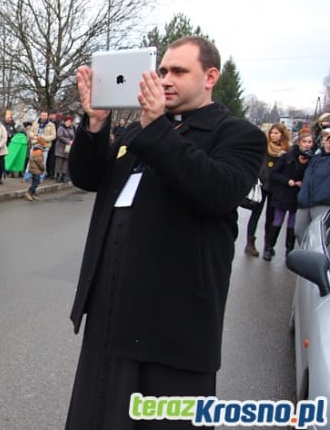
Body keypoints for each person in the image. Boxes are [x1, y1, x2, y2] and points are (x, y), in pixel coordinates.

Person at [65, 36, 265, 429]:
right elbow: (88, 177)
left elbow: (214, 192)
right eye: (162, 71)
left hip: (174, 322)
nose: (165, 80)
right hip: (112, 311)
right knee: (100, 414)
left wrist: (157, 128)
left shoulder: (238, 135)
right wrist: (96, 124)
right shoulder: (139, 131)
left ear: (210, 76)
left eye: (178, 71)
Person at [263, 130, 312, 260]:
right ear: (299, 142)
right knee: (277, 220)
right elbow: (275, 173)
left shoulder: (311, 160)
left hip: (297, 196)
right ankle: (269, 247)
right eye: (304, 142)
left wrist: (303, 180)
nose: (307, 144)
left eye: (309, 142)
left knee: (292, 224)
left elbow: (311, 177)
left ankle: (289, 250)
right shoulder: (288, 156)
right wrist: (287, 180)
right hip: (283, 194)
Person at [243, 123, 290, 256]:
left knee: (271, 217)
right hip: (261, 185)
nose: (273, 135)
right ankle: (250, 244)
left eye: (276, 133)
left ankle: (268, 245)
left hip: (276, 187)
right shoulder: (264, 147)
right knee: (255, 214)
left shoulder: (286, 151)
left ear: (282, 135)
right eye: (272, 133)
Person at [295, 133, 330, 240]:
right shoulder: (315, 157)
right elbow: (300, 176)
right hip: (304, 201)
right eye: (329, 141)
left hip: (322, 203)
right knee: (299, 232)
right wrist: (301, 164)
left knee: (317, 237)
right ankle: (304, 255)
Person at [28, 110, 56, 179]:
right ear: (40, 115)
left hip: (45, 145)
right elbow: (30, 132)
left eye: (45, 116)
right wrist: (33, 136)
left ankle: (41, 175)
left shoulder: (51, 125)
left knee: (42, 161)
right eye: (42, 115)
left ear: (47, 116)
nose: (43, 117)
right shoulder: (35, 123)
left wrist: (44, 138)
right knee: (32, 160)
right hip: (35, 144)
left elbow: (54, 136)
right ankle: (31, 174)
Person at [55, 115, 76, 183]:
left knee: (65, 162)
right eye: (68, 121)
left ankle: (63, 176)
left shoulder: (72, 128)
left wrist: (73, 141)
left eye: (70, 122)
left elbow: (73, 136)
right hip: (61, 146)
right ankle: (58, 175)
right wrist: (68, 141)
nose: (69, 123)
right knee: (59, 161)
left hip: (68, 147)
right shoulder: (61, 127)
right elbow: (59, 136)